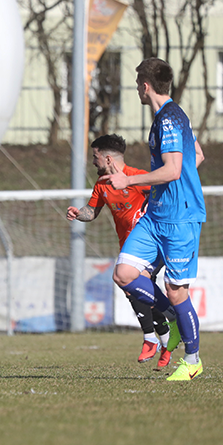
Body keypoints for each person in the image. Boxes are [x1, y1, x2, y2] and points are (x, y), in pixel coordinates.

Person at [101, 58, 206, 381]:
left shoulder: (170, 121)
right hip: (156, 215)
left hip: (179, 219)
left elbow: (174, 170)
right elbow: (197, 156)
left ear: (145, 86)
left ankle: (192, 360)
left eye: (136, 85)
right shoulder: (169, 117)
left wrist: (129, 181)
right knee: (125, 273)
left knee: (176, 290)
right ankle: (172, 320)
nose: (136, 90)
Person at [66, 134, 178, 365]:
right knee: (134, 291)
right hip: (128, 246)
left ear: (108, 158)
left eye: (95, 157)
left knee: (136, 282)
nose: (93, 162)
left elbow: (166, 193)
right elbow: (92, 211)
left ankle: (152, 338)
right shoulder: (102, 185)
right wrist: (79, 214)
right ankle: (166, 338)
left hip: (151, 244)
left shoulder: (138, 178)